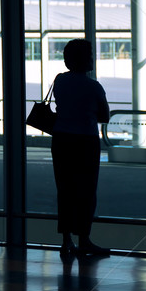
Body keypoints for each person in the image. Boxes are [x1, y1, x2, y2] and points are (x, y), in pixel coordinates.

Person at [51, 38, 110, 256]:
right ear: (84, 59)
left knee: (65, 190)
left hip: (61, 140)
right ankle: (84, 238)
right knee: (86, 191)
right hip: (85, 141)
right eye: (90, 54)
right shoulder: (93, 86)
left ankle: (66, 241)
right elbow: (104, 115)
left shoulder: (60, 81)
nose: (93, 58)